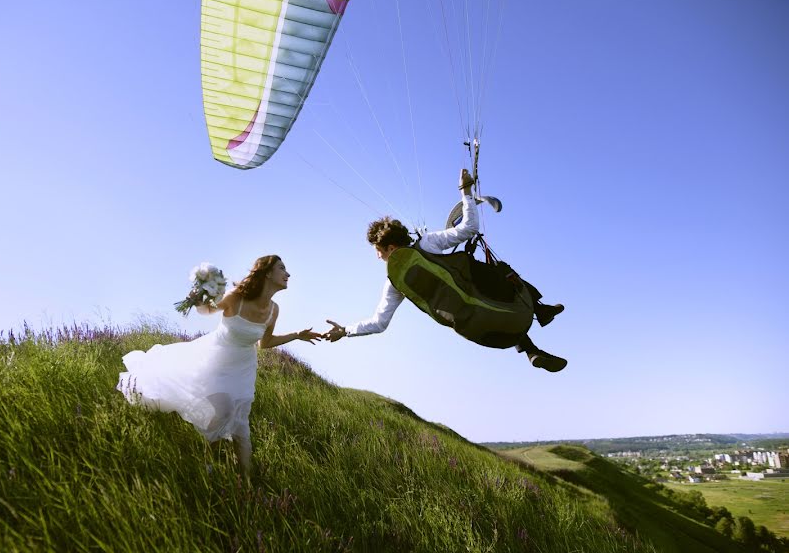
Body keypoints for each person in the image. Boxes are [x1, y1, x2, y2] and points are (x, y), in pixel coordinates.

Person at [323, 169, 568, 372]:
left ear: (389, 247)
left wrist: (345, 331)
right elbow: (470, 228)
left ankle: (532, 349)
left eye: (378, 250)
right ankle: (540, 309)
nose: (377, 256)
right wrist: (466, 192)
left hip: (476, 329)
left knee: (484, 306)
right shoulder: (427, 243)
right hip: (495, 298)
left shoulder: (394, 283)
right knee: (498, 272)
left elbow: (379, 323)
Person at [117, 255, 320, 479]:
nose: (288, 274)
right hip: (215, 361)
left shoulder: (274, 310)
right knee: (222, 412)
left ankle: (246, 486)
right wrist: (198, 298)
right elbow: (208, 310)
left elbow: (265, 343)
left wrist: (297, 335)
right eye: (282, 268)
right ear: (267, 273)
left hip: (243, 369)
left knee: (241, 429)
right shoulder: (236, 298)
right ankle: (207, 465)